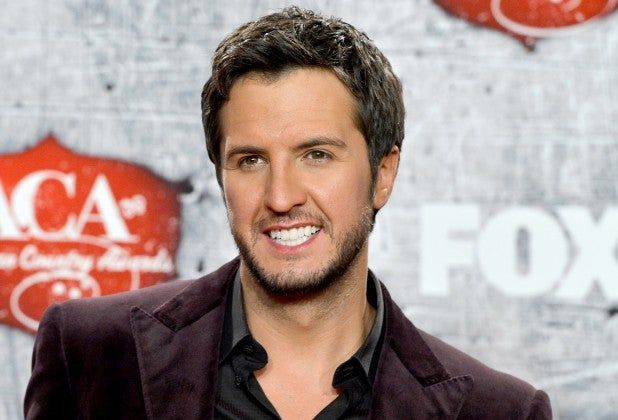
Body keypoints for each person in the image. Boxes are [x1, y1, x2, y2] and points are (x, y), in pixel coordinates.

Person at [24, 6, 552, 419]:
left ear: (383, 173)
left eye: (316, 155)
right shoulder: (91, 354)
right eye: (251, 160)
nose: (280, 197)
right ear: (221, 175)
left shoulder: (499, 412)